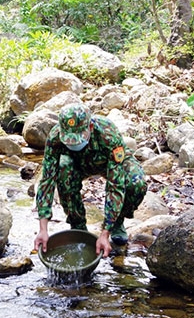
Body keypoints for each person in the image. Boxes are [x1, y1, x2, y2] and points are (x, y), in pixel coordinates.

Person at [34, 102, 147, 258]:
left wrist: (105, 232)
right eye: (69, 139)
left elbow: (116, 185)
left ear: (90, 128)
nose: (73, 143)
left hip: (110, 162)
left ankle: (117, 223)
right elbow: (47, 181)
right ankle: (78, 227)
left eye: (78, 138)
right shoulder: (55, 137)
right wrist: (43, 229)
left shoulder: (108, 133)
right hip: (78, 164)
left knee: (137, 183)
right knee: (63, 168)